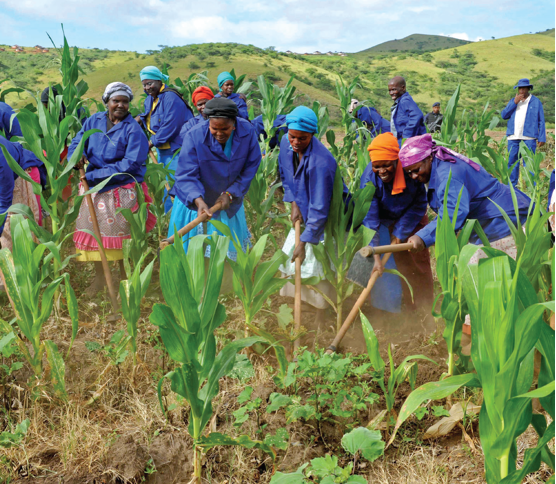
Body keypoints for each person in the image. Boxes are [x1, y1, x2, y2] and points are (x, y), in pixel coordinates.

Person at [69, 82, 156, 295]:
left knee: (119, 238)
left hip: (120, 188)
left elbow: (131, 164)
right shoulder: (93, 120)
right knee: (95, 234)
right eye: (116, 100)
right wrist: (76, 155)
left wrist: (93, 175)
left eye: (125, 101)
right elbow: (77, 142)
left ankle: (123, 279)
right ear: (107, 102)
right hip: (93, 189)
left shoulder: (133, 129)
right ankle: (100, 278)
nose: (120, 105)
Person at [400, 133, 531, 255]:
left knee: (485, 271)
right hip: (488, 220)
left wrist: (423, 237)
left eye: (416, 170)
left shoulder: (447, 175)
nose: (414, 176)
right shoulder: (438, 165)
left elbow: (454, 212)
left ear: (429, 157)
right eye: (409, 172)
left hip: (502, 219)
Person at [170, 98, 260, 261]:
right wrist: (198, 201)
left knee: (223, 257)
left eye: (225, 129)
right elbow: (186, 174)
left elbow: (250, 167)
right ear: (208, 123)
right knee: (194, 256)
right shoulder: (195, 136)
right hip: (195, 203)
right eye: (214, 129)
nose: (219, 134)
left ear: (234, 124)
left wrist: (230, 193)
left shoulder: (247, 132)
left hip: (228, 202)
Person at [360, 132, 433, 314]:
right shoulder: (369, 178)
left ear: (396, 161)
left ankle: (422, 307)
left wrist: (401, 232)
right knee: (387, 265)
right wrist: (376, 254)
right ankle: (391, 309)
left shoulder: (410, 171)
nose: (382, 171)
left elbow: (419, 204)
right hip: (383, 219)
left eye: (387, 165)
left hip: (412, 217)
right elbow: (370, 219)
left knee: (416, 260)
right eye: (377, 167)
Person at [278, 106, 339, 311]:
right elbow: (286, 176)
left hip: (325, 214)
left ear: (313, 135)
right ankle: (299, 303)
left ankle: (321, 308)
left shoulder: (321, 163)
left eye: (302, 139)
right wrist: (294, 201)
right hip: (303, 204)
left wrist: (305, 240)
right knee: (293, 258)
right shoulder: (286, 144)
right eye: (292, 136)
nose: (295, 142)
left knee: (316, 259)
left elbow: (320, 207)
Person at [137, 66, 194, 212]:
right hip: (163, 150)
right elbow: (146, 116)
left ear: (159, 80)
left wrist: (151, 142)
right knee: (165, 185)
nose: (147, 87)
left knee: (178, 185)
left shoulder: (171, 97)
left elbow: (170, 125)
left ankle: (182, 218)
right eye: (144, 84)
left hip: (177, 149)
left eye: (150, 83)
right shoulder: (150, 100)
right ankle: (169, 218)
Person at [0, 135, 45, 251]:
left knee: (13, 232)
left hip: (20, 176)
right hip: (7, 180)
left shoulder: (1, 154)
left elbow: (4, 200)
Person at [501, 78, 546, 187]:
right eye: (519, 88)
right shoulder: (513, 101)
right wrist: (514, 103)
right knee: (512, 163)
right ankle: (512, 188)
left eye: (524, 88)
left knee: (529, 163)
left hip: (529, 137)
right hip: (513, 137)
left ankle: (532, 189)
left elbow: (541, 120)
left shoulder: (535, 101)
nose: (521, 90)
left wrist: (542, 137)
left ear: (528, 89)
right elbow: (504, 115)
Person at [388, 76, 426, 146]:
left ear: (403, 88)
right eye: (389, 90)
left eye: (394, 90)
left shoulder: (405, 101)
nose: (391, 93)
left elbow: (417, 115)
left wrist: (406, 135)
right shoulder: (399, 103)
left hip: (410, 143)